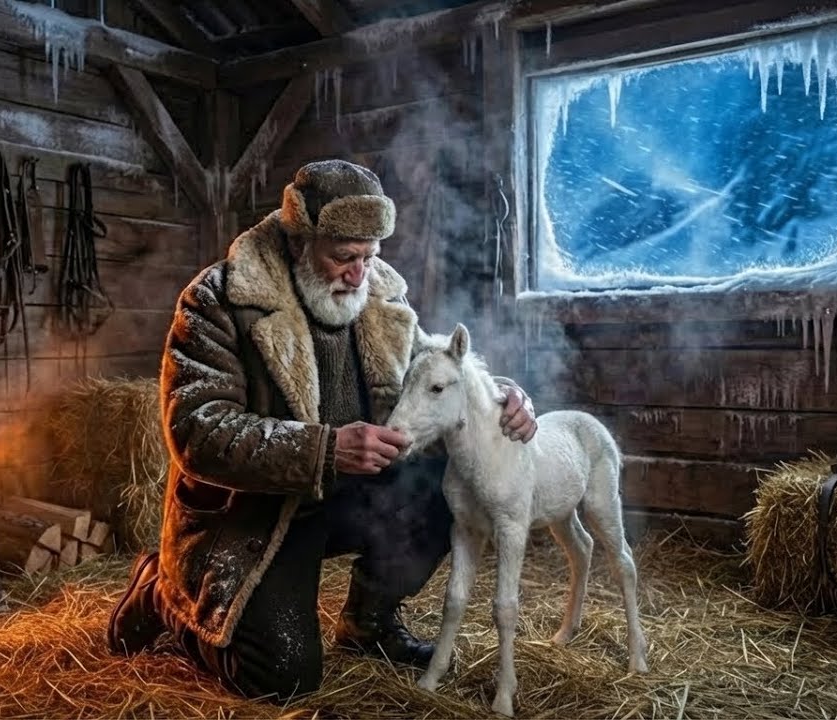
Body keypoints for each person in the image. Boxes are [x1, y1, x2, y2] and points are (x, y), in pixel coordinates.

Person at [106, 159, 538, 701]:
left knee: (444, 475)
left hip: (351, 495)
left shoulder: (379, 294)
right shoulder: (217, 299)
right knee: (281, 679)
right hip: (258, 513)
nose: (360, 274)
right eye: (344, 258)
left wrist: (504, 397)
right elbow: (197, 431)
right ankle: (164, 595)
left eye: (370, 256)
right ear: (298, 240)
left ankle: (368, 620)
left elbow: (437, 375)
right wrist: (325, 450)